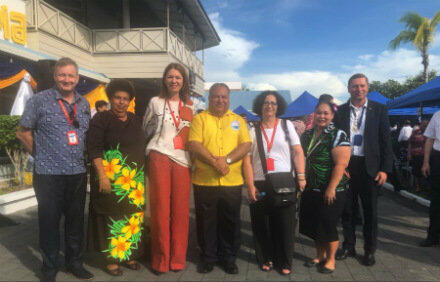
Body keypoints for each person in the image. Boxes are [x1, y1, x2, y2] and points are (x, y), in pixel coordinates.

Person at [16, 57, 93, 281]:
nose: (66, 79)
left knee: (76, 223)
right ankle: (49, 268)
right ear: (55, 76)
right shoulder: (39, 100)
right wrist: (40, 155)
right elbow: (22, 132)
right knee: (49, 223)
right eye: (62, 75)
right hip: (48, 174)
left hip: (77, 173)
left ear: (77, 78)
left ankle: (74, 263)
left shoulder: (84, 103)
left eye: (71, 76)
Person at [188, 83, 251, 274]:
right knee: (206, 222)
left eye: (224, 97)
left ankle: (228, 258)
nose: (220, 100)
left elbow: (246, 144)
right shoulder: (200, 119)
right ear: (210, 97)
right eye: (216, 96)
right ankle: (208, 257)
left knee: (230, 222)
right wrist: (215, 161)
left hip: (231, 181)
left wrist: (227, 160)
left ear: (229, 98)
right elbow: (194, 144)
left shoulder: (238, 121)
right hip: (205, 181)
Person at [86, 79, 145, 276]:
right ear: (111, 99)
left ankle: (128, 254)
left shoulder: (136, 120)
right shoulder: (100, 119)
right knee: (110, 217)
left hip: (132, 181)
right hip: (109, 179)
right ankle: (111, 259)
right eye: (117, 98)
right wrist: (101, 175)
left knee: (131, 217)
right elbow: (93, 149)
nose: (121, 102)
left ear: (130, 101)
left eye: (125, 99)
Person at [243, 91, 306, 275]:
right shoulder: (252, 130)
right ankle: (265, 258)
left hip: (284, 181)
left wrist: (301, 176)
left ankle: (284, 261)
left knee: (285, 224)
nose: (269, 106)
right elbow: (246, 160)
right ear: (260, 106)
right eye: (265, 102)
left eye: (273, 103)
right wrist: (249, 185)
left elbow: (297, 151)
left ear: (278, 107)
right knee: (261, 224)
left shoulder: (287, 126)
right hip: (260, 182)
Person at [334, 73, 393, 266]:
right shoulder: (340, 111)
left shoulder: (379, 110)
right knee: (347, 211)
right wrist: (338, 166)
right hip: (347, 166)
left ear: (367, 87)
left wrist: (385, 169)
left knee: (370, 213)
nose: (358, 89)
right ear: (348, 88)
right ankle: (349, 246)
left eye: (362, 86)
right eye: (354, 86)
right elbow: (334, 141)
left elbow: (386, 142)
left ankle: (369, 250)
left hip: (370, 168)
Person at [143, 63, 194, 274]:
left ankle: (177, 259)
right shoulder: (155, 102)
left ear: (184, 81)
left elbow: (192, 135)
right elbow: (146, 128)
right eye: (170, 77)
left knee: (181, 212)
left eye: (178, 77)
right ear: (165, 79)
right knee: (160, 210)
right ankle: (161, 260)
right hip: (160, 156)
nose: (174, 80)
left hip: (182, 160)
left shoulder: (191, 105)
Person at [299, 101, 351, 274]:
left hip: (331, 188)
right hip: (310, 188)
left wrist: (331, 188)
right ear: (314, 114)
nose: (322, 116)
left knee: (328, 225)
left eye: (326, 113)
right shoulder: (307, 135)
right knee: (315, 224)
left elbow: (341, 164)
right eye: (319, 113)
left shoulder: (338, 134)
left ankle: (331, 260)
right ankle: (319, 255)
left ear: (332, 115)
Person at [421, 111, 440, 247]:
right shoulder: (437, 115)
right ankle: (433, 235)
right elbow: (429, 139)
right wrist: (426, 162)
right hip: (438, 158)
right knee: (436, 200)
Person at [408, 121, 428, 192]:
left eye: (426, 126)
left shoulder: (429, 133)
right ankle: (417, 187)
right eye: (423, 125)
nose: (424, 127)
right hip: (416, 155)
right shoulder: (415, 132)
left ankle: (425, 187)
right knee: (416, 171)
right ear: (421, 125)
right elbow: (410, 143)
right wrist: (409, 154)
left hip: (426, 156)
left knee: (426, 171)